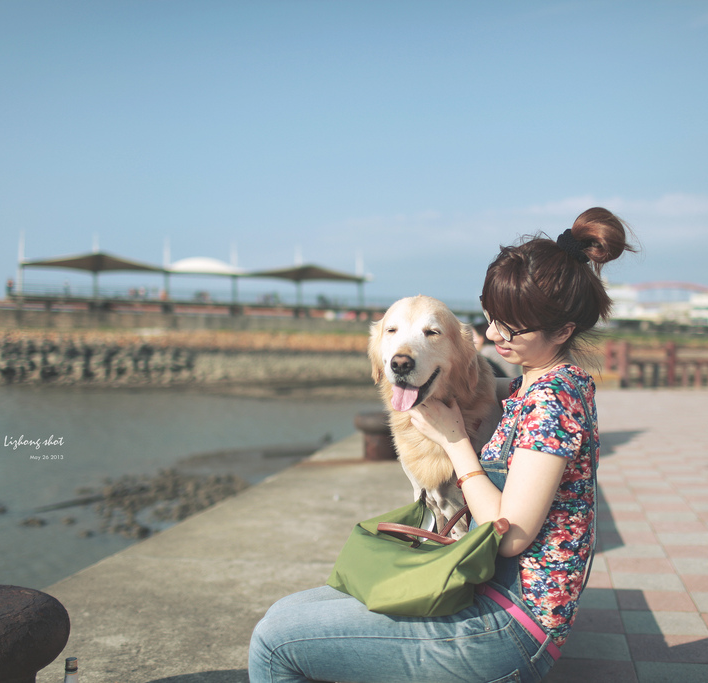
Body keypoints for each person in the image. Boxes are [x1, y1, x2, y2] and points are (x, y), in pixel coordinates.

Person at [248, 207, 635, 683]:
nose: (494, 335)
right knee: (290, 609)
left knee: (274, 641)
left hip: (510, 629)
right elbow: (473, 382)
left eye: (513, 328)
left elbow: (510, 534)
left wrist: (454, 442)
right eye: (492, 317)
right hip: (487, 594)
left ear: (563, 331)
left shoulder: (554, 400)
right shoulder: (532, 387)